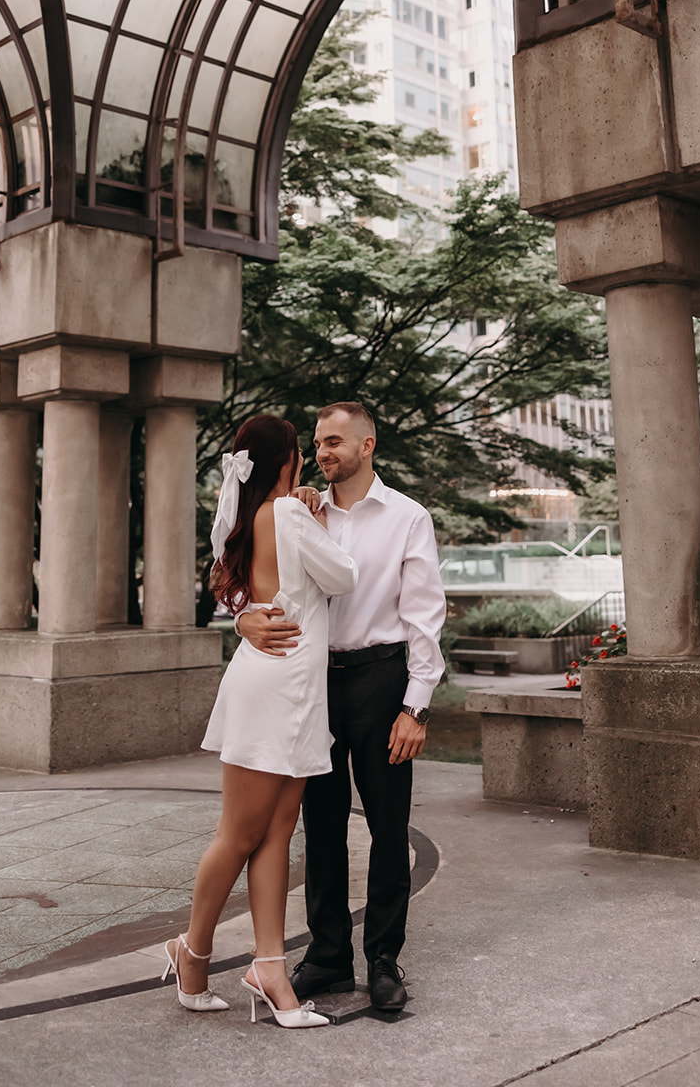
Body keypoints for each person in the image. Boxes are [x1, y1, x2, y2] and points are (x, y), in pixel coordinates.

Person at [236, 401, 446, 1013]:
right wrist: (244, 618)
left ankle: (383, 958)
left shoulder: (408, 517)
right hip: (310, 684)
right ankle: (327, 956)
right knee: (319, 826)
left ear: (367, 446)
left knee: (387, 826)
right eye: (318, 443)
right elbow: (252, 579)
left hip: (381, 680)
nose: (323, 452)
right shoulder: (297, 512)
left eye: (334, 442)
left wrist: (417, 706)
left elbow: (425, 616)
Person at [162, 413, 357, 1030]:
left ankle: (269, 965)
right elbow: (344, 577)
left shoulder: (253, 517)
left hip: (294, 688)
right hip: (277, 688)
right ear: (289, 460)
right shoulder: (290, 514)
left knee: (276, 832)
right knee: (240, 833)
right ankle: (191, 952)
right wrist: (317, 513)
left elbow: (243, 594)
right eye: (302, 453)